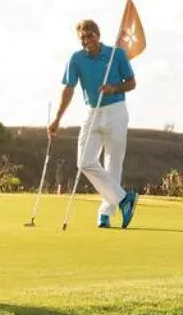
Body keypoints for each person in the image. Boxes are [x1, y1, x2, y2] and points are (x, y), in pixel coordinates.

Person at [49, 17, 138, 228]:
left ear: (98, 35)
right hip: (92, 112)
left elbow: (131, 83)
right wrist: (57, 119)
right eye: (82, 37)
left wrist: (113, 88)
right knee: (85, 161)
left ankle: (105, 213)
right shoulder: (76, 59)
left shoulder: (117, 54)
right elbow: (68, 89)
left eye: (90, 36)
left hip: (116, 110)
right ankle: (124, 199)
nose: (87, 40)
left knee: (113, 164)